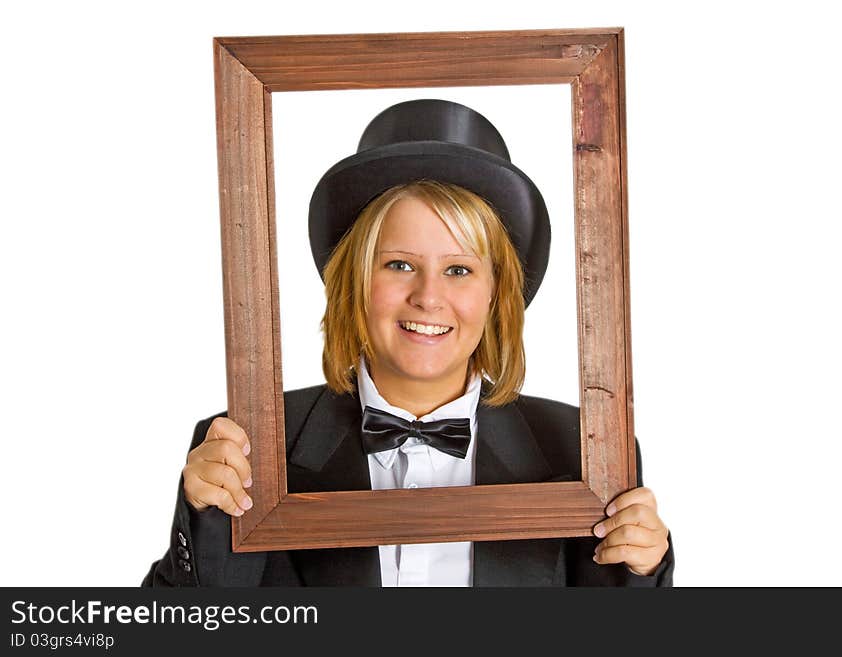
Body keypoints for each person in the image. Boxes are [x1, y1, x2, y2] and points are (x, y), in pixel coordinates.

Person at [143, 99, 673, 587]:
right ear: (354, 281)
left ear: (497, 297)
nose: (428, 297)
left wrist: (644, 572)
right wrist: (205, 522)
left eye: (459, 269)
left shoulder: (583, 451)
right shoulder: (250, 446)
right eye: (400, 265)